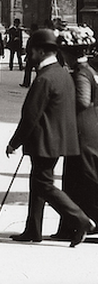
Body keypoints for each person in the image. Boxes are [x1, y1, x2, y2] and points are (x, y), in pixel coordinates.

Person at [7, 28, 94, 245]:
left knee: (44, 184)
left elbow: (31, 115)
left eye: (31, 52)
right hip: (57, 139)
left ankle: (81, 219)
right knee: (38, 183)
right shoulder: (63, 74)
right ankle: (33, 229)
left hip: (44, 140)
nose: (29, 56)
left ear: (40, 51)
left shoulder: (45, 78)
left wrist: (14, 143)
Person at [61, 44, 98, 237]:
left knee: (83, 177)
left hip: (82, 130)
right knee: (78, 176)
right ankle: (71, 226)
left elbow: (83, 100)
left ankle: (87, 224)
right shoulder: (89, 69)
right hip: (89, 127)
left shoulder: (82, 73)